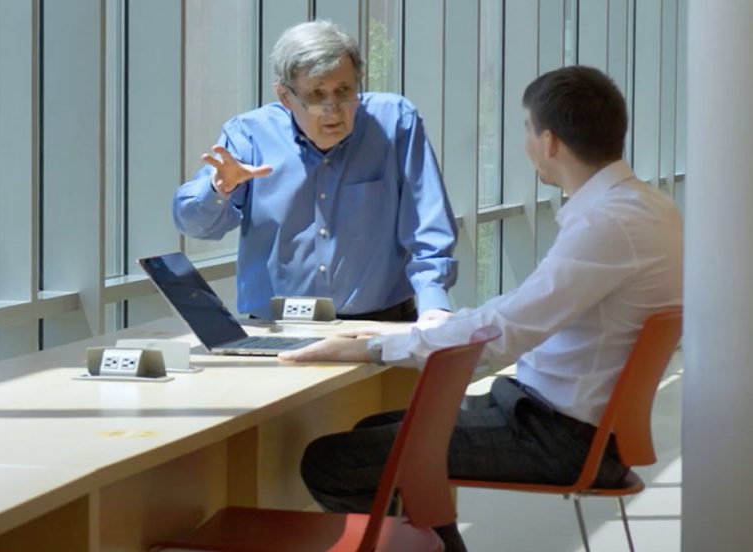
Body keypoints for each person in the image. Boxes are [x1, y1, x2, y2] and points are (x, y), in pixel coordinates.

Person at [278, 65, 683, 551]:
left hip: (558, 435)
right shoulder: (650, 208)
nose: (528, 143)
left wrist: (374, 347)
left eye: (527, 130)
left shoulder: (609, 224)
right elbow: (520, 310)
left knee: (331, 460)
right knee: (374, 431)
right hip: (567, 419)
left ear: (550, 142)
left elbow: (506, 332)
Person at [172, 20, 457, 323]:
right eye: (317, 95)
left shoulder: (394, 122)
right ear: (285, 97)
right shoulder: (249, 135)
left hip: (380, 324)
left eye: (344, 90)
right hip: (276, 331)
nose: (333, 108)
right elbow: (194, 226)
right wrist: (219, 191)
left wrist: (434, 304)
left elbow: (427, 223)